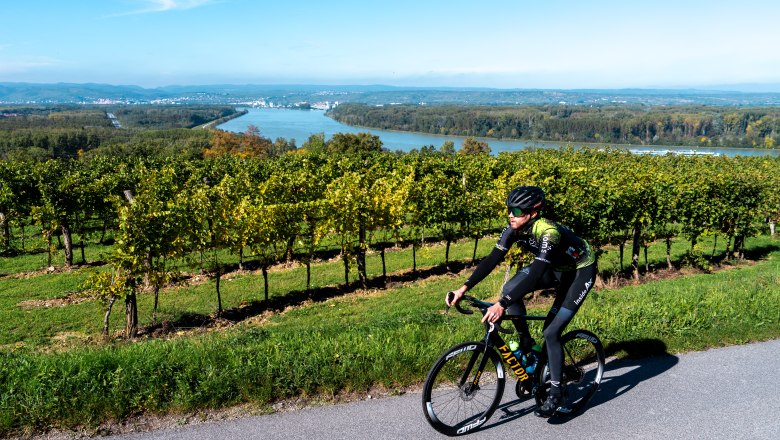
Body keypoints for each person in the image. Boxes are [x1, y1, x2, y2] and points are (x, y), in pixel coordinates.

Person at [446, 186, 597, 418]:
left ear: (533, 213)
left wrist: (502, 304)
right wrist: (463, 288)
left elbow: (536, 273)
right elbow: (491, 260)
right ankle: (526, 341)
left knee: (551, 331)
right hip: (556, 268)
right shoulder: (513, 229)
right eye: (509, 209)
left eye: (516, 210)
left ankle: (556, 393)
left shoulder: (548, 232)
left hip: (579, 271)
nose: (510, 215)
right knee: (509, 288)